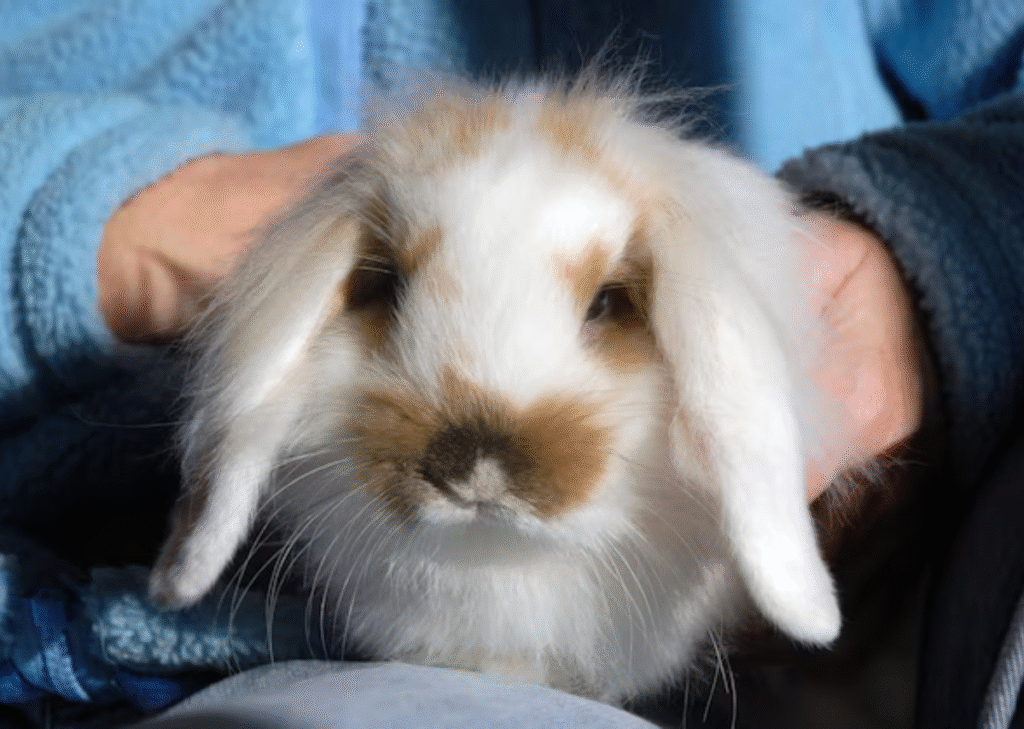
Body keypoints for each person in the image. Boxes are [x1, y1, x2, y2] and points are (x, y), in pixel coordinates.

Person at [0, 1, 1021, 727]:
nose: (480, 464)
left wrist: (933, 244)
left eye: (606, 305)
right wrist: (85, 230)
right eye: (387, 292)